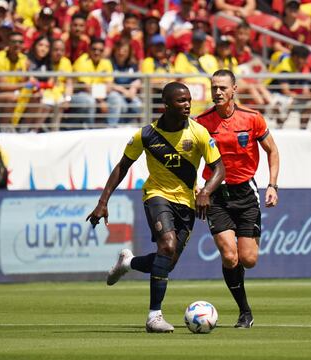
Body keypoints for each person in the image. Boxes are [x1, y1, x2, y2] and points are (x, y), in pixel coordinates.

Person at [86, 82, 225, 333]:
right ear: (166, 104)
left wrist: (205, 191)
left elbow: (219, 168)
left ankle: (128, 263)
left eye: (189, 100)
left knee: (167, 262)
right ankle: (154, 316)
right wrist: (102, 202)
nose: (187, 105)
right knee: (167, 246)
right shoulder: (146, 135)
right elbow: (122, 166)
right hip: (156, 195)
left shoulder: (199, 133)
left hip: (187, 202)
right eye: (181, 101)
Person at [195, 69, 280, 328]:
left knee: (248, 260)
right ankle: (245, 311)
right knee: (229, 257)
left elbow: (272, 150)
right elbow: (190, 160)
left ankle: (243, 303)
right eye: (214, 88)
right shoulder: (200, 122)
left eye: (222, 88)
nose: (217, 92)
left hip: (246, 193)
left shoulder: (252, 118)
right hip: (216, 195)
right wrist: (197, 188)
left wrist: (272, 185)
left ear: (234, 90)